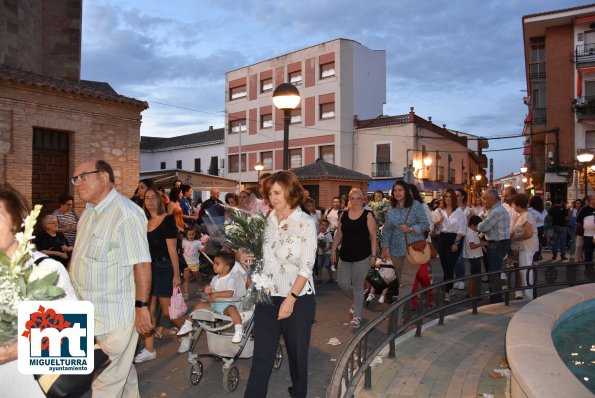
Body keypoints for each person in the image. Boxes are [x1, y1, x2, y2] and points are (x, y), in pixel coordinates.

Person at [68, 159, 152, 397]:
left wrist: (142, 307)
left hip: (115, 316)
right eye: (75, 179)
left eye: (83, 176)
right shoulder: (87, 213)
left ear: (104, 177)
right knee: (122, 377)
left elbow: (141, 262)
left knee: (104, 382)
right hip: (88, 314)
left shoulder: (126, 213)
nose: (77, 183)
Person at [0, 184, 78, 398]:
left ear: (17, 223)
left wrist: (11, 351)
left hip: (34, 387)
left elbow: (71, 340)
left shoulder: (47, 269)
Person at [244, 171, 316, 398]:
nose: (272, 198)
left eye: (277, 193)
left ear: (290, 192)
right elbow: (264, 256)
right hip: (268, 296)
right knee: (262, 356)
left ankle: (298, 393)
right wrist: (247, 258)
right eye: (270, 193)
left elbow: (307, 265)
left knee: (297, 356)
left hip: (298, 298)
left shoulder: (305, 222)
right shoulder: (268, 219)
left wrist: (291, 299)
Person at [134, 188, 190, 363]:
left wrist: (176, 275)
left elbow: (173, 250)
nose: (150, 200)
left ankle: (187, 333)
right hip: (147, 270)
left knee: (167, 311)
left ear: (160, 200)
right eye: (147, 198)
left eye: (153, 197)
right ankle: (150, 350)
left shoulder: (167, 220)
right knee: (147, 310)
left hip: (165, 267)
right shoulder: (144, 221)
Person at [331, 188, 377, 328]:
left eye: (358, 198)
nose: (355, 201)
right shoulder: (343, 215)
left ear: (363, 200)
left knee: (358, 286)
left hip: (363, 256)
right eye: (352, 198)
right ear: (348, 200)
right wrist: (333, 251)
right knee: (343, 284)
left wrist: (374, 255)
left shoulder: (368, 215)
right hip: (345, 255)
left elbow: (374, 237)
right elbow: (339, 234)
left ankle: (357, 316)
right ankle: (357, 301)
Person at [177, 251, 244, 343]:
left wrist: (216, 294)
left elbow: (229, 293)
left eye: (217, 264)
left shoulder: (230, 279)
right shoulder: (215, 278)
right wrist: (208, 291)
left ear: (226, 268)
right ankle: (188, 324)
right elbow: (210, 291)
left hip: (226, 305)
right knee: (198, 306)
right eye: (214, 263)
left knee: (233, 310)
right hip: (214, 305)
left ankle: (239, 330)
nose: (214, 266)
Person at [433, 188, 466, 300]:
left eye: (450, 197)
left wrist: (456, 243)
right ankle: (449, 288)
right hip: (442, 238)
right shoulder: (439, 211)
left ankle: (447, 291)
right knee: (445, 266)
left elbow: (461, 230)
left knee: (449, 266)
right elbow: (434, 230)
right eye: (446, 197)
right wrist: (438, 221)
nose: (448, 199)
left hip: (455, 238)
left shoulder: (459, 212)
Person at [477, 190, 510, 304]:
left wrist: (479, 222)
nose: (483, 200)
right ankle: (495, 296)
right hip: (499, 243)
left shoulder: (496, 211)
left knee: (494, 272)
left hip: (497, 244)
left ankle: (496, 298)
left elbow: (482, 227)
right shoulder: (497, 210)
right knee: (494, 271)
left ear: (492, 199)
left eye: (485, 198)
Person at [510, 193, 538, 299]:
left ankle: (529, 295)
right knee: (523, 270)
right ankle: (526, 293)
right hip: (524, 247)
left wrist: (516, 239)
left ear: (518, 205)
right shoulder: (521, 215)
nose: (513, 206)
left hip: (528, 246)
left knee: (526, 270)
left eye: (514, 204)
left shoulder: (527, 215)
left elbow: (528, 233)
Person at [463, 215, 486, 299]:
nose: (478, 228)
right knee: (476, 276)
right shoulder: (469, 233)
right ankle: (474, 294)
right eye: (477, 226)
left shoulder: (471, 232)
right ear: (473, 225)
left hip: (475, 256)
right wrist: (482, 244)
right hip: (474, 256)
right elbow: (472, 246)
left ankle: (470, 293)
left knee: (474, 275)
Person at [182, 228, 205, 300]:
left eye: (192, 234)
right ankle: (186, 294)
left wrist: (205, 243)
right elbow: (183, 251)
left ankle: (200, 288)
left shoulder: (197, 242)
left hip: (195, 263)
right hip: (186, 263)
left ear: (195, 234)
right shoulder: (184, 241)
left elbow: (203, 251)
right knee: (186, 278)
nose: (191, 236)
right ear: (186, 234)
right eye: (189, 234)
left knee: (197, 277)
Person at [576, 195, 595, 277]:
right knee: (588, 252)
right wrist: (586, 226)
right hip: (588, 235)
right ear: (590, 200)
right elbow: (578, 221)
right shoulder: (584, 209)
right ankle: (588, 268)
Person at [548, 196, 569, 261]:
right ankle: (563, 256)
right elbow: (567, 218)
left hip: (555, 226)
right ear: (561, 202)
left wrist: (553, 219)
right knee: (563, 242)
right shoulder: (564, 209)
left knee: (555, 242)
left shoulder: (551, 209)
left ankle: (554, 256)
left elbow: (549, 218)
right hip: (563, 226)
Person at [528, 195, 547, 262]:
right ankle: (538, 255)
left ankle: (534, 257)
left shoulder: (531, 210)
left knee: (533, 242)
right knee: (539, 242)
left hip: (535, 227)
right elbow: (545, 217)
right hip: (541, 227)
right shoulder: (542, 210)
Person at [316, 218, 334, 283]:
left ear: (327, 227)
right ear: (320, 225)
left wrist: (326, 249)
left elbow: (331, 243)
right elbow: (317, 243)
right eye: (322, 224)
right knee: (319, 265)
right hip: (320, 253)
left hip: (327, 253)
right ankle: (319, 278)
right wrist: (317, 249)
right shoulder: (319, 234)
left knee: (327, 265)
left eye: (325, 225)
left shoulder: (328, 235)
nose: (323, 226)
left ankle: (331, 277)